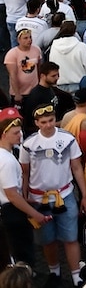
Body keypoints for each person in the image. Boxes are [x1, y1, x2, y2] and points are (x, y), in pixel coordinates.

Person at [20, 103, 86, 286]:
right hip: (38, 199)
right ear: (37, 123)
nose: (48, 125)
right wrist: (25, 196)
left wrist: (85, 195)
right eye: (43, 122)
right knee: (47, 240)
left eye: (51, 120)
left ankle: (76, 276)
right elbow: (25, 172)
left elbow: (77, 168)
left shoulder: (68, 139)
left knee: (71, 238)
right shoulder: (28, 144)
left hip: (65, 195)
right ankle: (54, 273)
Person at [0, 107, 49, 266]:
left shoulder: (7, 154)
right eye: (15, 133)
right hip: (11, 212)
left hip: (9, 209)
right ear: (3, 134)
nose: (20, 135)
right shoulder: (7, 161)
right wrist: (35, 214)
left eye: (20, 131)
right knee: (23, 255)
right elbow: (12, 195)